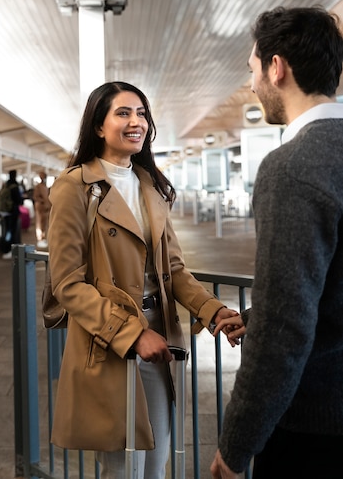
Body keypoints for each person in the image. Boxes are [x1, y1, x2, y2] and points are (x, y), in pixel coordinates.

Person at [47, 81, 239, 479]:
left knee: (156, 458)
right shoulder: (75, 187)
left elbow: (174, 270)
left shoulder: (150, 185)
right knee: (123, 465)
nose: (137, 121)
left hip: (162, 337)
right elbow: (67, 283)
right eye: (123, 113)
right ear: (98, 126)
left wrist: (213, 309)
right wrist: (132, 334)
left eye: (142, 113)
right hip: (111, 341)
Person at [210, 6, 343, 479]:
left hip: (315, 424)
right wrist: (258, 316)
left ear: (277, 67)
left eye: (252, 69)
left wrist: (236, 445)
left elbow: (285, 331)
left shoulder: (292, 166)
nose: (251, 85)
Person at [1, 170, 23, 260]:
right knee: (11, 231)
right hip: (13, 211)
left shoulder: (6, 184)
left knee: (7, 230)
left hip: (6, 212)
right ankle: (10, 250)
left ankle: (6, 249)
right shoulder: (14, 185)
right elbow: (18, 199)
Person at [33, 171, 51, 248]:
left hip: (45, 207)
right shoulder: (38, 187)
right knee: (39, 223)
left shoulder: (44, 186)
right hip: (40, 207)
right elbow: (36, 197)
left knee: (44, 223)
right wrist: (43, 201)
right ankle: (40, 239)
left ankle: (43, 237)